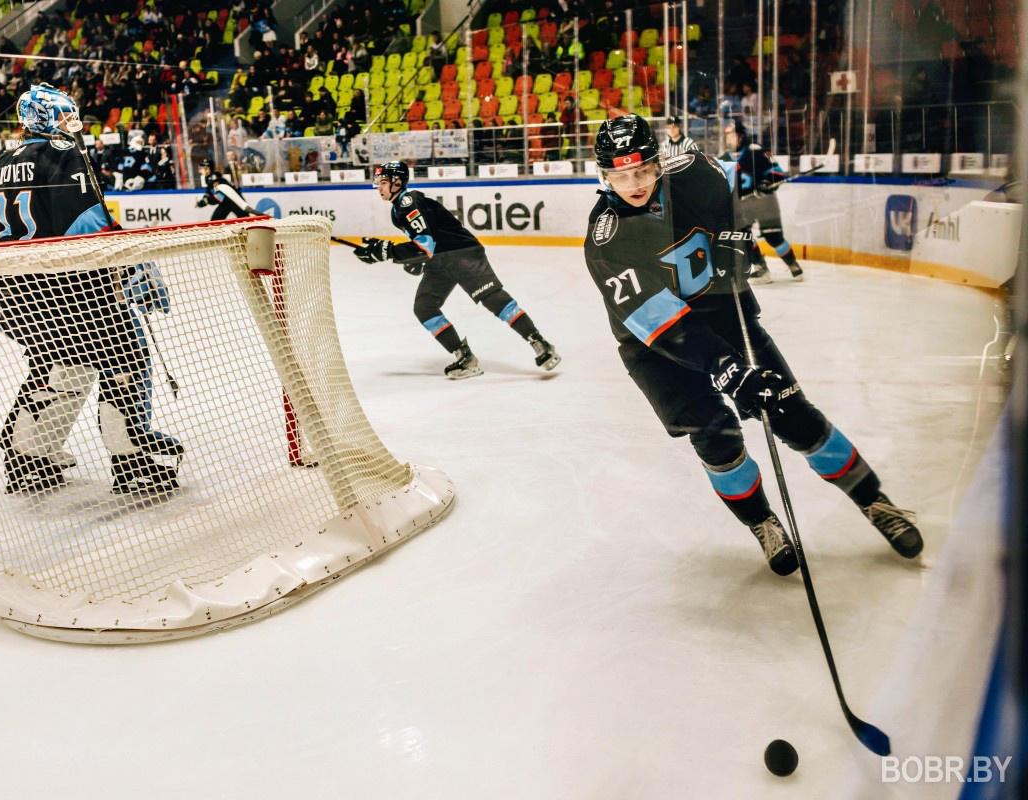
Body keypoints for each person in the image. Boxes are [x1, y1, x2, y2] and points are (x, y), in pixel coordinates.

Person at [582, 115, 922, 575]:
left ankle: (874, 500)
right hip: (655, 347)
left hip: (723, 311)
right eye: (622, 176)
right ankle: (762, 521)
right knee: (714, 435)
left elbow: (728, 198)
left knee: (793, 414)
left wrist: (733, 243)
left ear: (658, 162)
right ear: (604, 176)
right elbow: (658, 321)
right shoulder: (606, 240)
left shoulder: (696, 172)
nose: (635, 184)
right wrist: (728, 368)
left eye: (642, 170)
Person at [0, 83, 182, 494]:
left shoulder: (2, 162)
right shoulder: (63, 152)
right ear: (44, 119)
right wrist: (131, 261)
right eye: (65, 116)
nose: (72, 124)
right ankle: (132, 457)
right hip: (72, 292)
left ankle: (27, 454)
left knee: (59, 364)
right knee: (126, 357)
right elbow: (87, 225)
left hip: (14, 295)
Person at [353, 161, 560, 379]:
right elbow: (427, 241)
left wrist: (388, 251)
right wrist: (409, 257)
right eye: (379, 182)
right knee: (425, 307)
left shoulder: (409, 202)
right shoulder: (397, 210)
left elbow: (425, 245)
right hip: (441, 260)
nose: (379, 187)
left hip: (462, 253)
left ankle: (540, 343)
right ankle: (465, 358)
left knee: (493, 299)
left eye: (383, 182)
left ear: (397, 182)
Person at [719, 119, 803, 282]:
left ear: (742, 136)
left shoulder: (757, 151)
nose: (730, 139)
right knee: (743, 237)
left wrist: (765, 183)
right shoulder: (723, 159)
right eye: (727, 136)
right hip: (742, 205)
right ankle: (761, 268)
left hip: (764, 202)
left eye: (733, 135)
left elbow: (776, 173)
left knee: (774, 238)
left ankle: (793, 265)